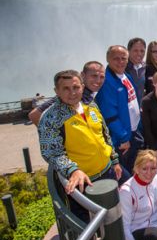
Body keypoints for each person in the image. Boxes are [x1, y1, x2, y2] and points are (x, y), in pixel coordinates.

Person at [39, 70, 124, 222]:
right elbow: (52, 153)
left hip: (107, 172)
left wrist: (115, 160)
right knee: (90, 224)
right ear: (56, 91)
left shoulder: (90, 105)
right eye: (66, 88)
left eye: (76, 87)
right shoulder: (51, 118)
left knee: (113, 218)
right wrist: (73, 170)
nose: (72, 93)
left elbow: (104, 135)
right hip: (83, 183)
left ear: (82, 87)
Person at [96, 45, 143, 174]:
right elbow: (110, 116)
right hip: (122, 140)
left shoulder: (126, 76)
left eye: (123, 58)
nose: (121, 62)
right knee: (125, 173)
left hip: (133, 132)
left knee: (136, 169)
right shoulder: (107, 82)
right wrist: (123, 138)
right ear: (108, 59)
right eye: (116, 58)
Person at [29, 61, 106, 125]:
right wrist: (52, 135)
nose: (98, 80)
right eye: (94, 76)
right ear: (82, 75)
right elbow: (34, 115)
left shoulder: (90, 95)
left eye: (102, 77)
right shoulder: (74, 94)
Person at [126, 37, 147, 102]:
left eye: (142, 51)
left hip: (142, 109)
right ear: (128, 51)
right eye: (135, 50)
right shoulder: (121, 67)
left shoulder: (147, 67)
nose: (139, 54)